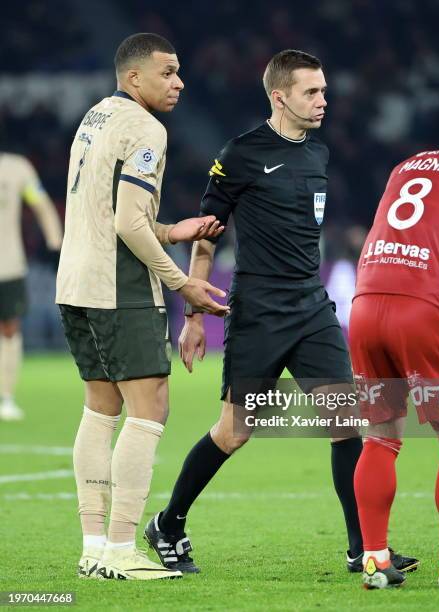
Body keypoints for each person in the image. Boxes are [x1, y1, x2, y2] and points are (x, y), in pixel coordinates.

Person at [144, 49, 417, 576]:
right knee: (234, 432)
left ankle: (363, 547)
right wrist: (194, 312)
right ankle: (169, 523)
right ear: (280, 96)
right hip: (260, 311)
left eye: (324, 91)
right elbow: (206, 230)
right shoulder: (241, 153)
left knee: (345, 423)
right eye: (311, 92)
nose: (323, 101)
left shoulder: (319, 154)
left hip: (312, 306)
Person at [55, 33, 229, 581]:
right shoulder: (147, 128)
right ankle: (124, 549)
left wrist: (173, 229)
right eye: (168, 73)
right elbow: (127, 225)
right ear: (135, 78)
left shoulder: (96, 117)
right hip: (119, 289)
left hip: (75, 281)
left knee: (100, 410)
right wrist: (184, 285)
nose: (179, 83)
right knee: (150, 409)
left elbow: (112, 213)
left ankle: (93, 549)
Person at [349, 97, 439, 589]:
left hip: (365, 306)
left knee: (381, 436)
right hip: (425, 308)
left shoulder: (407, 165)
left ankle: (374, 560)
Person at [0, 152, 62, 420]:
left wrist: (56, 241)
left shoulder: (17, 168)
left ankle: (6, 397)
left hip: (8, 264)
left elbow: (41, 204)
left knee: (10, 330)